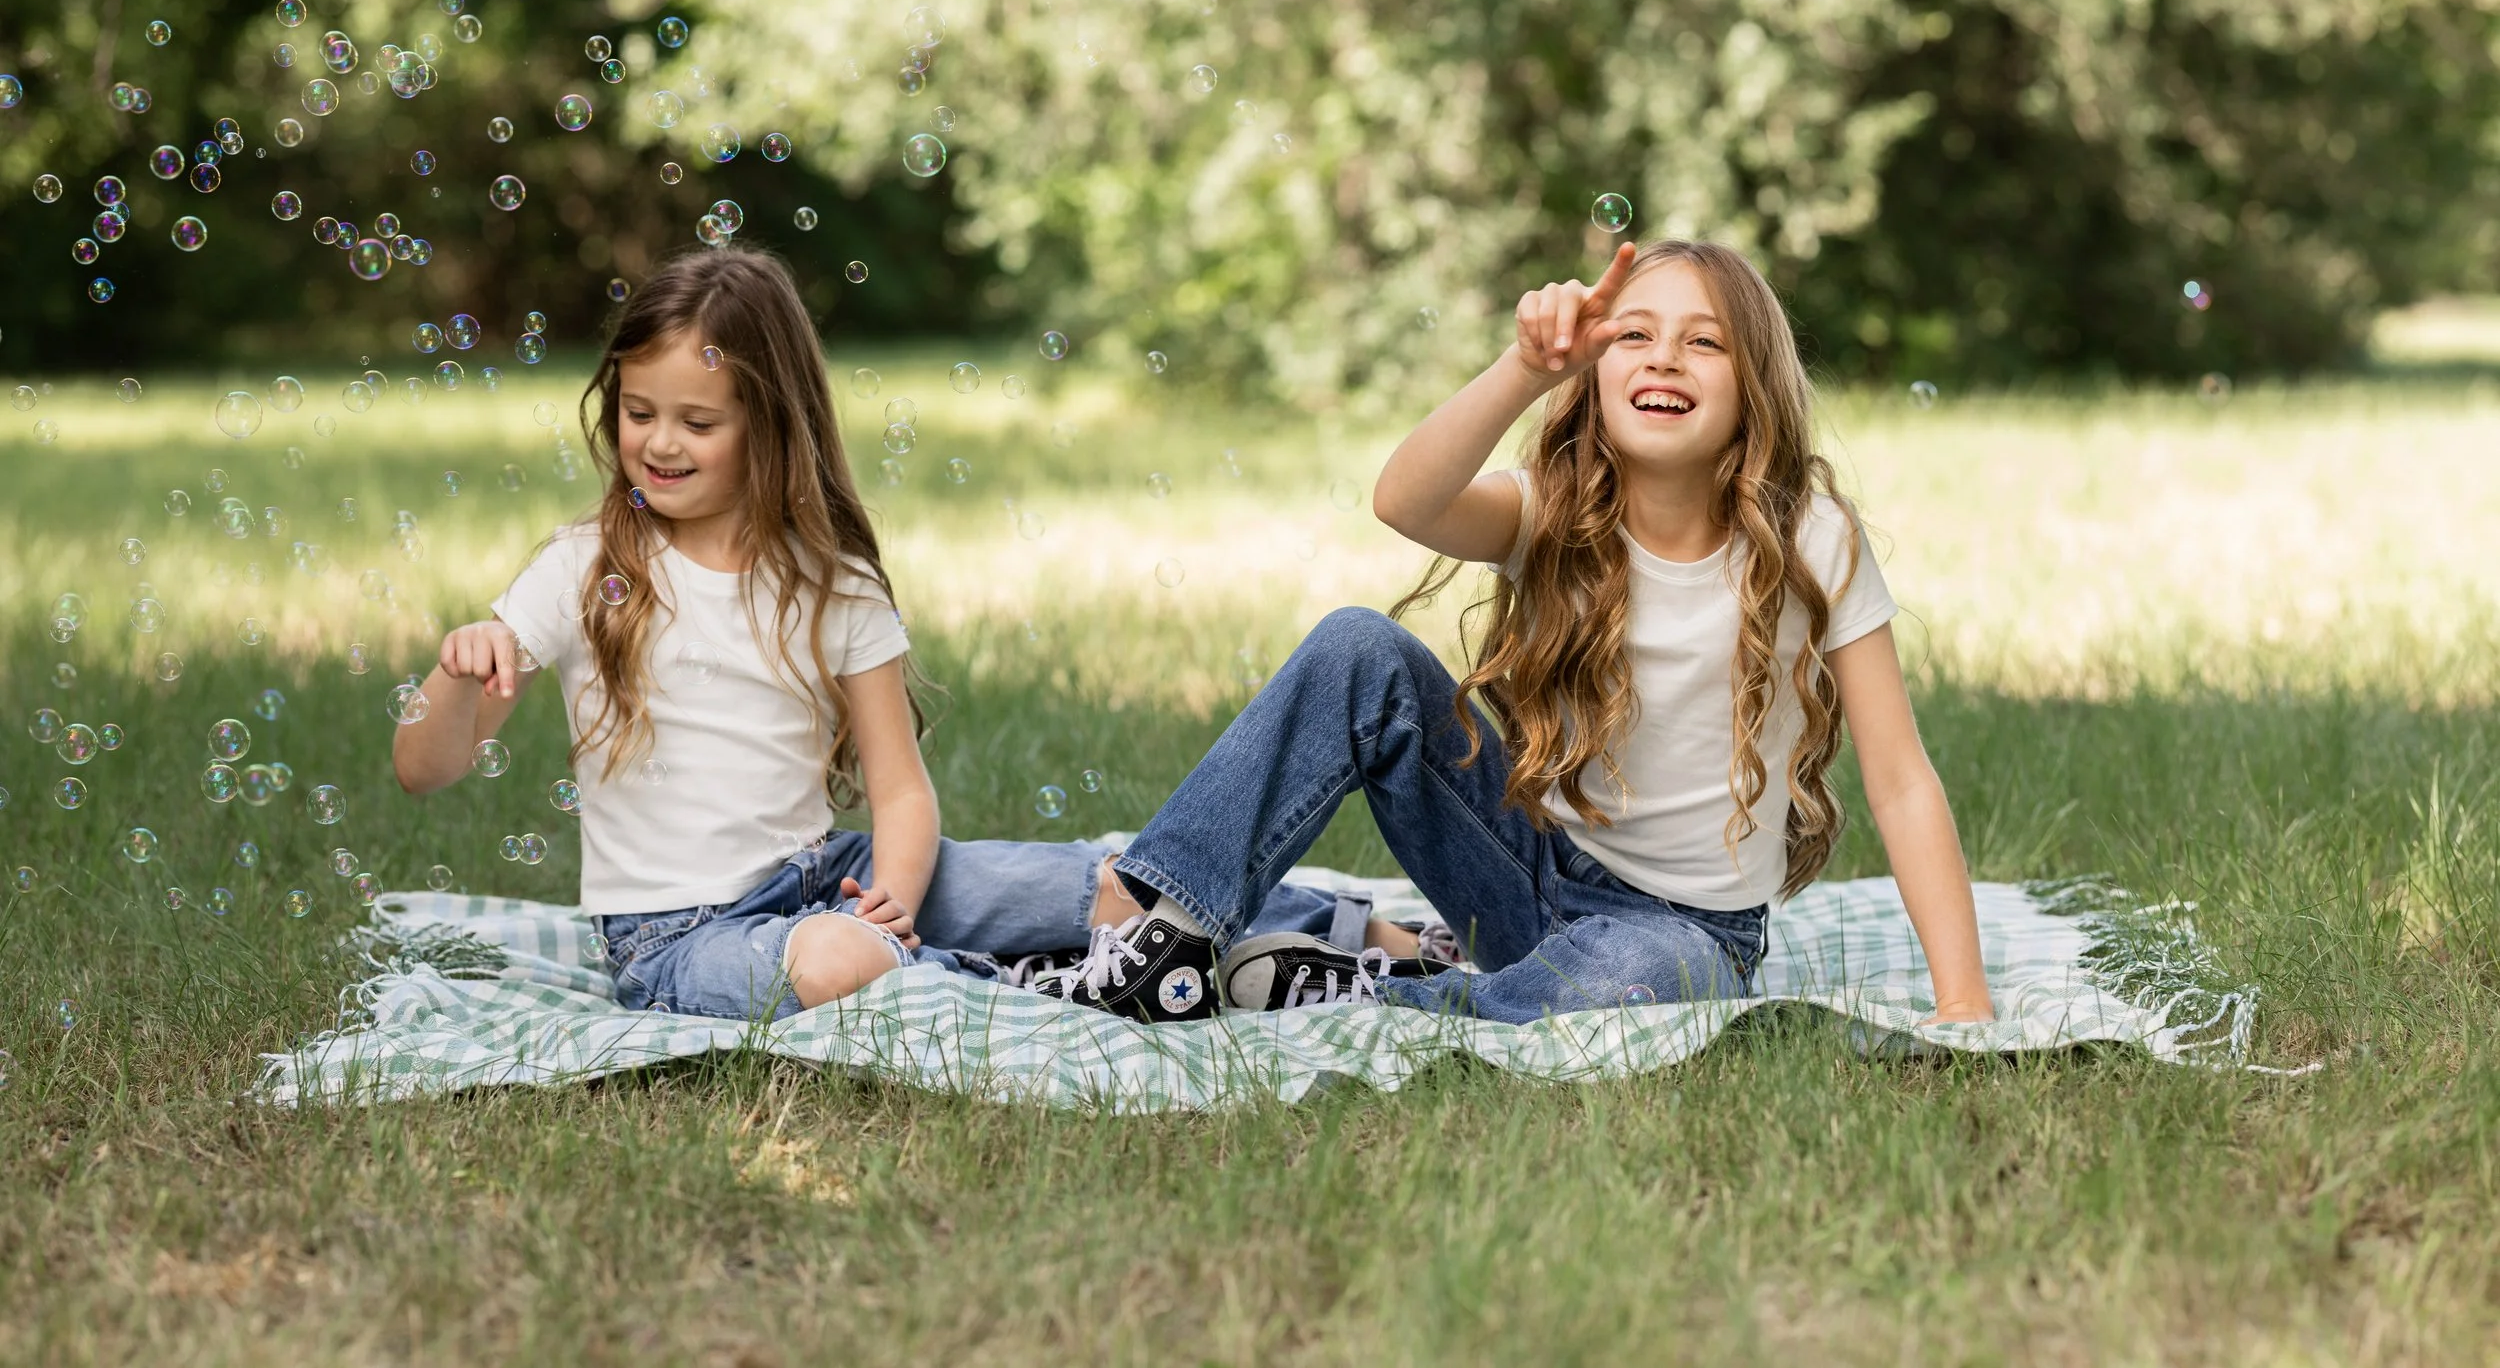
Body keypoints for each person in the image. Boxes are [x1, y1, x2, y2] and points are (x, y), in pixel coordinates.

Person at [390, 246, 1378, 1021]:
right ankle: (1069, 985)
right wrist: (458, 678)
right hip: (677, 938)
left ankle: (1361, 937)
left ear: (771, 424)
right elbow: (422, 768)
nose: (656, 440)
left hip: (829, 871)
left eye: (697, 420)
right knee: (832, 959)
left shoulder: (831, 580)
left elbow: (901, 784)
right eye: (639, 411)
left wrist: (895, 895)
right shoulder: (581, 568)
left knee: (1108, 886)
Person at [1030, 238, 1996, 1026]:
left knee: (1636, 984)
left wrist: (1964, 1000)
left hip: (1684, 931)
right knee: (1360, 648)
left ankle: (1365, 987)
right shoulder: (1558, 510)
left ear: (1757, 389)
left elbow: (1902, 777)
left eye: (1705, 342)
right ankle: (1157, 923)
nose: (1664, 356)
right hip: (1520, 867)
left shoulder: (1812, 538)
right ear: (1595, 371)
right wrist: (1523, 368)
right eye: (1636, 334)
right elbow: (1404, 499)